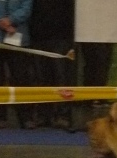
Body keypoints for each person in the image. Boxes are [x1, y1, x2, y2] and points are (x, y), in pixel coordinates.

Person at [0, 0, 36, 129]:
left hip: (17, 35)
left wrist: (11, 20)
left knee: (21, 78)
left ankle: (26, 117)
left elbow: (26, 8)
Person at [30, 0, 75, 129]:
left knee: (62, 78)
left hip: (62, 37)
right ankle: (43, 115)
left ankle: (63, 115)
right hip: (38, 37)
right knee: (41, 78)